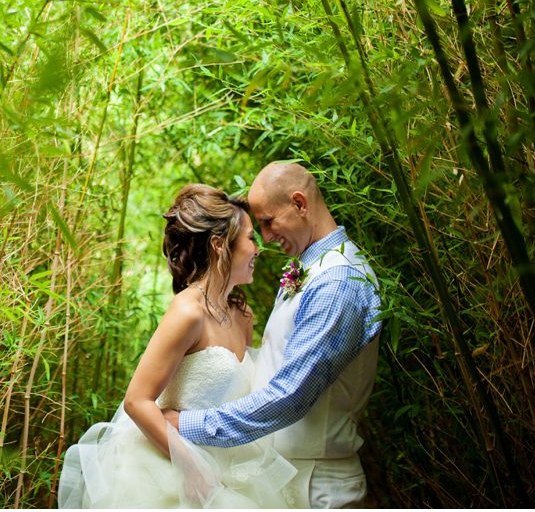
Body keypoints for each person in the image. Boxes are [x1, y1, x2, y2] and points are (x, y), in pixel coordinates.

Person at [58, 183, 307, 509]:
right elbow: (136, 401)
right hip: (166, 465)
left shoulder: (243, 314)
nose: (258, 249)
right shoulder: (188, 312)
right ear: (220, 245)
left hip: (228, 461)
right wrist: (189, 466)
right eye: (250, 238)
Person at [162, 162, 382, 508]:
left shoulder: (337, 283)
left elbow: (290, 395)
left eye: (268, 221)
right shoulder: (310, 270)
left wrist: (188, 425)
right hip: (287, 476)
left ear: (300, 204)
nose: (265, 238)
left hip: (317, 486)